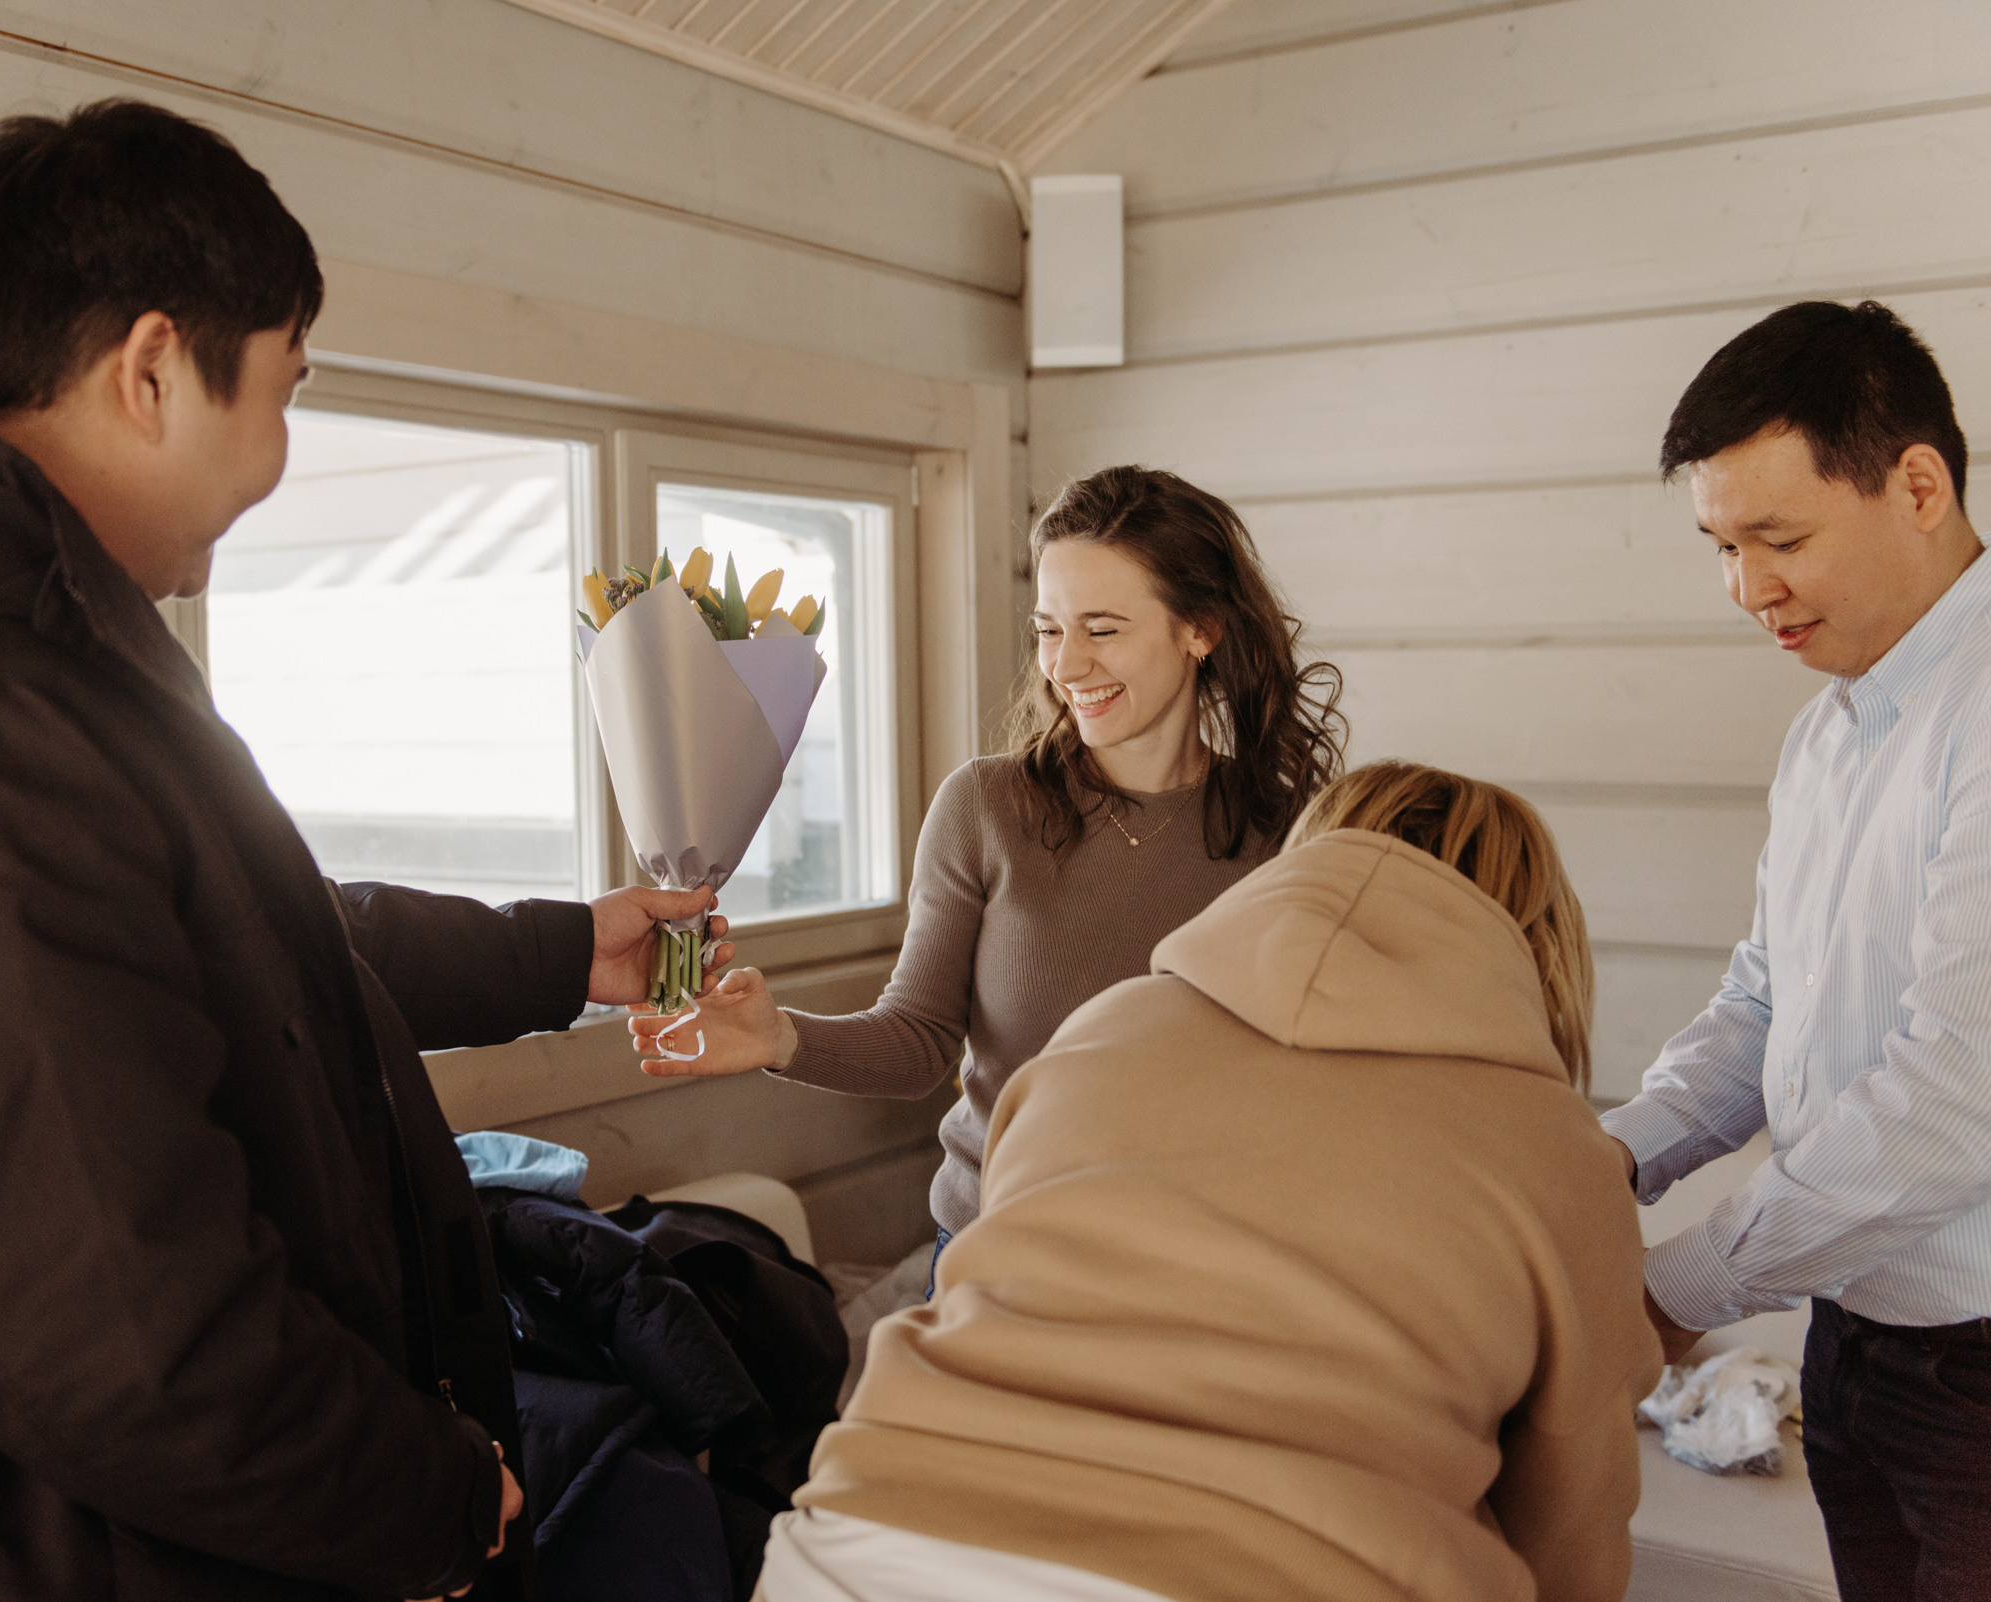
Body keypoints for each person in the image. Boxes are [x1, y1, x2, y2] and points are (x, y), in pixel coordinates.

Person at [0, 100, 723, 1601]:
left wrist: (563, 947)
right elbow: (129, 1347)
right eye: (281, 388)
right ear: (150, 372)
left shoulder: (12, 661)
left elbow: (245, 940)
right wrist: (446, 1497)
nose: (280, 452)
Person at [756, 762, 1660, 1602]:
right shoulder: (1560, 1152)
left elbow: (986, 1290)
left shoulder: (1102, 1031)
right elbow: (1573, 1546)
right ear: (1535, 939)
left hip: (863, 1544)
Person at [631, 466, 1344, 1276]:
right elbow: (920, 1040)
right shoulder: (987, 806)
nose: (1065, 665)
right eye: (1047, 629)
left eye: (1102, 629)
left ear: (1201, 629)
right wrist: (780, 1037)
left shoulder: (1290, 834)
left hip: (1194, 1265)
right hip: (994, 1257)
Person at [1601, 299, 1991, 1596]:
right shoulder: (1826, 734)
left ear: (1918, 483)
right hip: (1855, 1333)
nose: (1746, 587)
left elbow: (1953, 1091)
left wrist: (1681, 1288)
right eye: (1721, 545)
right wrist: (1613, 1159)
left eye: (1780, 537)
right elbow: (1766, 1000)